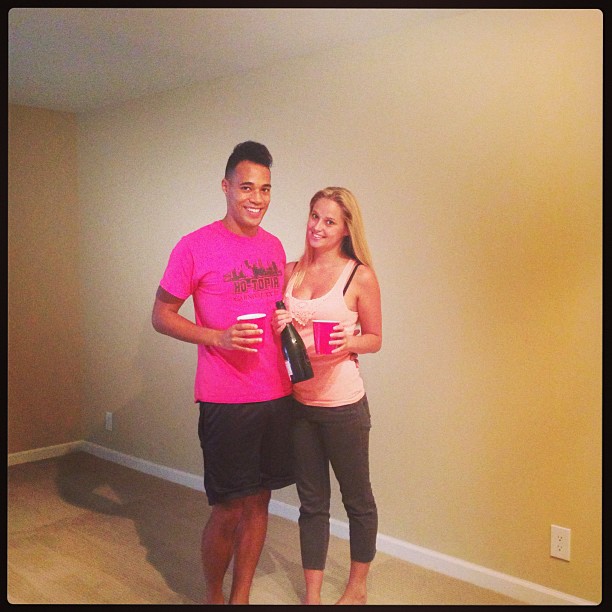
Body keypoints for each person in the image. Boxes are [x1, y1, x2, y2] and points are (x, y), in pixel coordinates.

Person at [151, 141, 294, 604]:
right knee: (229, 508)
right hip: (226, 398)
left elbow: (274, 310)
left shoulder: (274, 246)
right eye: (247, 187)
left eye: (265, 189)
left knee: (261, 501)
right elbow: (161, 316)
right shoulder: (194, 246)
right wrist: (218, 337)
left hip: (277, 394)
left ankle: (241, 596)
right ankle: (215, 597)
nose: (257, 198)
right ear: (226, 187)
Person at [273, 186, 382, 605]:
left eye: (329, 220)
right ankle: (313, 595)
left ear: (345, 229)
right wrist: (277, 324)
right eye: (314, 216)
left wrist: (349, 341)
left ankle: (357, 588)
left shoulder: (359, 276)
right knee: (312, 504)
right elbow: (280, 336)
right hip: (300, 403)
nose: (317, 226)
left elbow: (375, 338)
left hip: (344, 407)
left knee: (357, 500)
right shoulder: (290, 271)